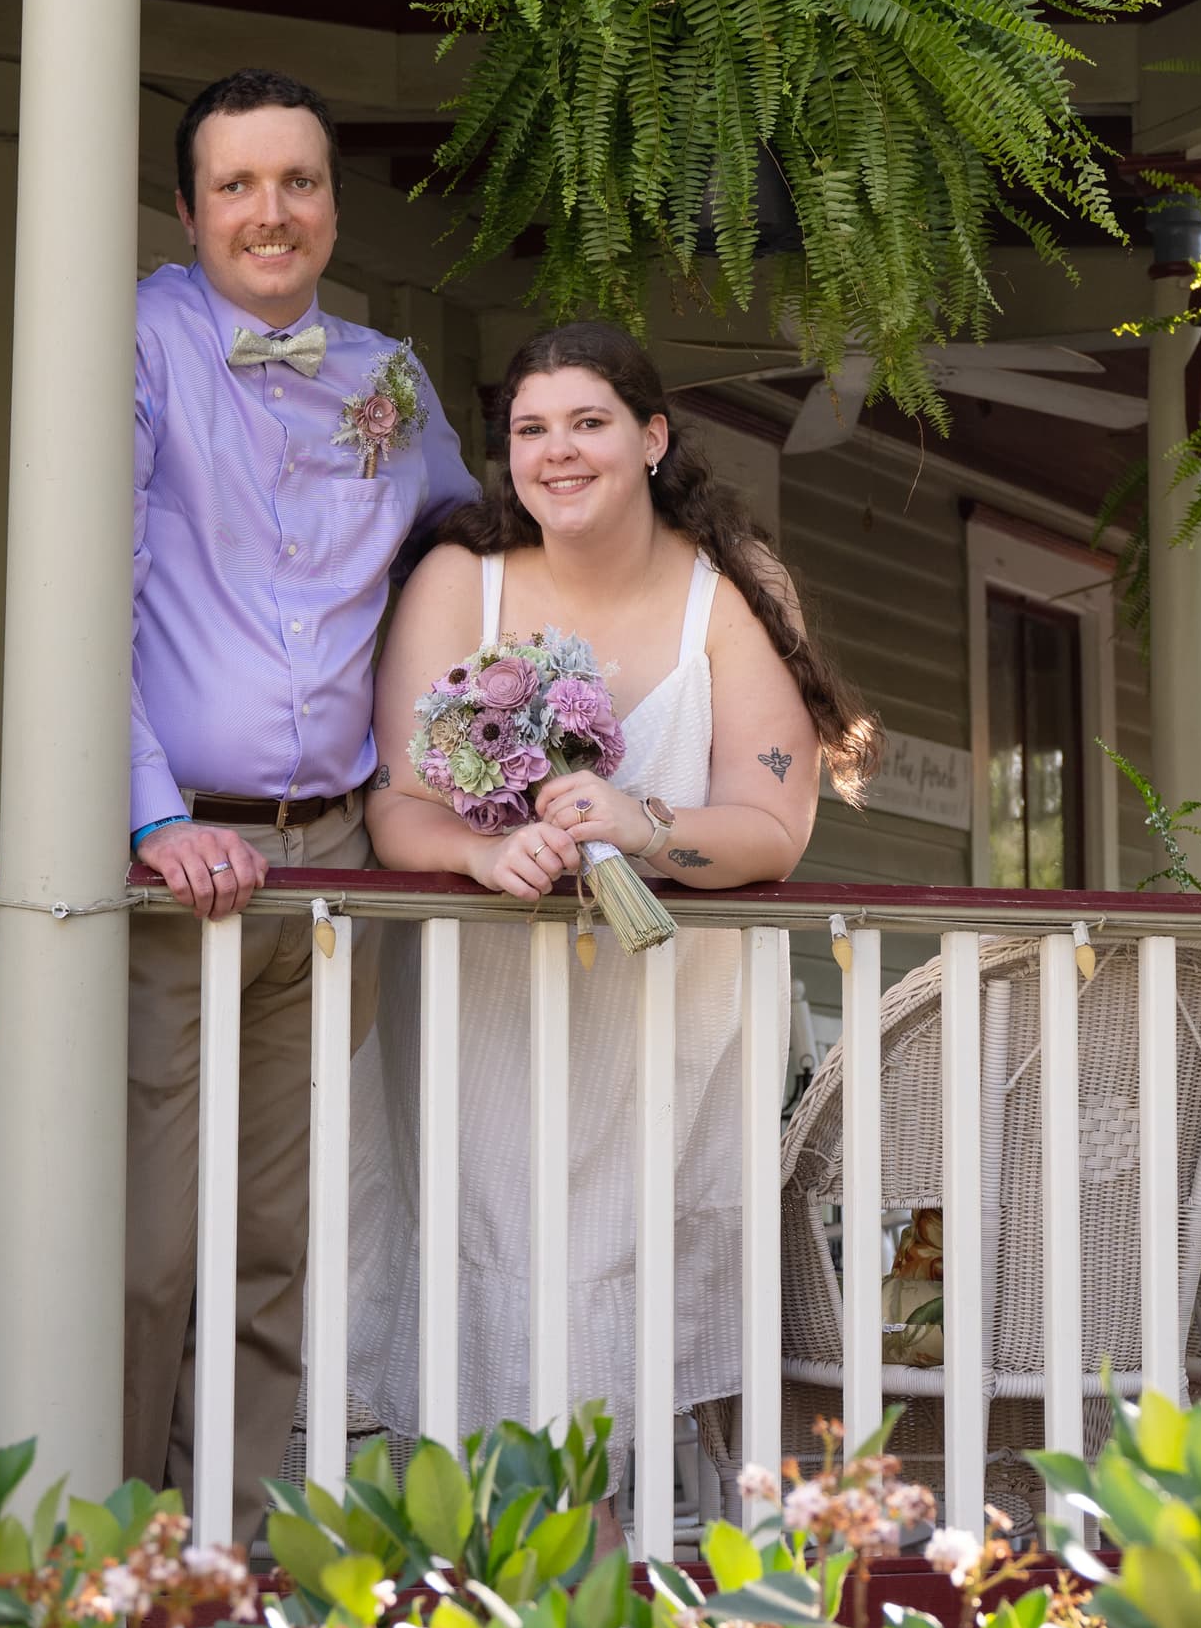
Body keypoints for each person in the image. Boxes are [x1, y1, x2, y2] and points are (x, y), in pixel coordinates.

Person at [360, 321, 878, 1494]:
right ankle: (493, 1621)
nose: (558, 452)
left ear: (650, 438)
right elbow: (397, 802)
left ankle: (616, 1617)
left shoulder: (732, 594)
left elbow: (774, 822)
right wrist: (484, 857)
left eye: (589, 422)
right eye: (531, 429)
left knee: (640, 1305)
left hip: (670, 1030)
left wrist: (643, 823)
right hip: (486, 1020)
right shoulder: (462, 584)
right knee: (493, 1301)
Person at [122, 67, 470, 1501]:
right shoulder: (136, 343)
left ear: (333, 203)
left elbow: (475, 550)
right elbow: (86, 590)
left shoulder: (389, 378)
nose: (272, 213)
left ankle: (229, 1536)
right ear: (191, 211)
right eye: (238, 186)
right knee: (147, 1244)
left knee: (277, 1240)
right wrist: (149, 814)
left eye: (299, 182)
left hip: (329, 859)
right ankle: (106, 1547)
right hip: (175, 861)